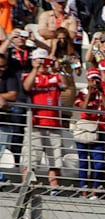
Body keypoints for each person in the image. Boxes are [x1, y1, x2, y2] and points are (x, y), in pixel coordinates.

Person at [22, 48, 68, 194]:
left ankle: (54, 190)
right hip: (35, 124)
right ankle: (26, 188)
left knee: (55, 160)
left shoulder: (54, 77)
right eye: (38, 60)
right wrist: (35, 69)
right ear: (33, 61)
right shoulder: (27, 75)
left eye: (44, 60)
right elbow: (26, 87)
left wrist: (58, 68)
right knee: (30, 159)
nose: (42, 63)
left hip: (54, 124)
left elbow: (66, 85)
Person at [76, 66, 105, 198]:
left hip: (98, 131)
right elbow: (83, 108)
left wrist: (101, 92)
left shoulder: (102, 94)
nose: (94, 82)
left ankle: (95, 190)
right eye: (92, 79)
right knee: (83, 162)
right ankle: (84, 191)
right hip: (85, 129)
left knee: (99, 163)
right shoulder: (82, 93)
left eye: (97, 79)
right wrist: (90, 92)